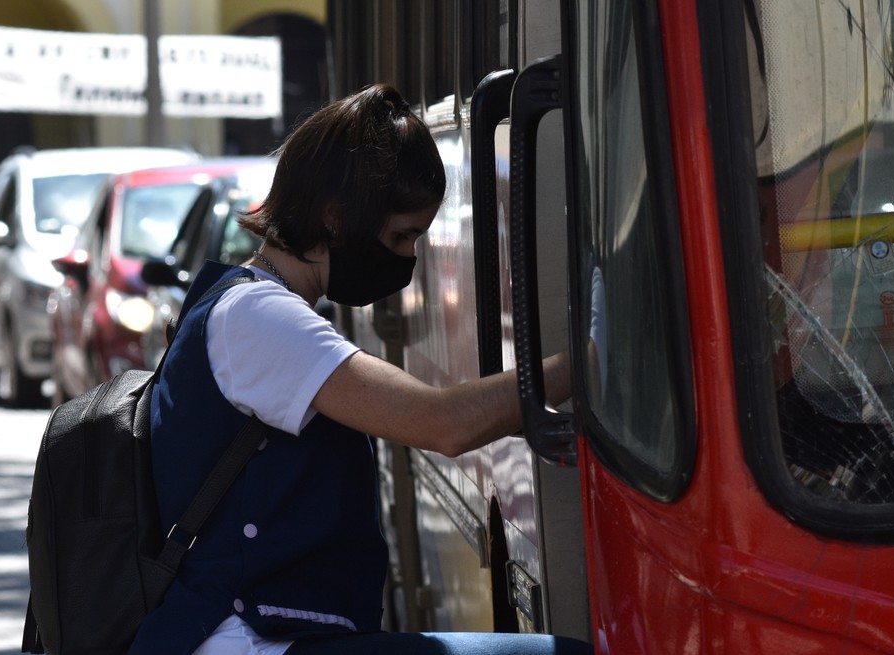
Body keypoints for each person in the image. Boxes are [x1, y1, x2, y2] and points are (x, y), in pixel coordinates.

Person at [127, 84, 589, 655]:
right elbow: (440, 423)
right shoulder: (257, 317)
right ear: (337, 218)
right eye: (399, 237)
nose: (408, 260)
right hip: (246, 640)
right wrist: (594, 362)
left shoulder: (246, 303)